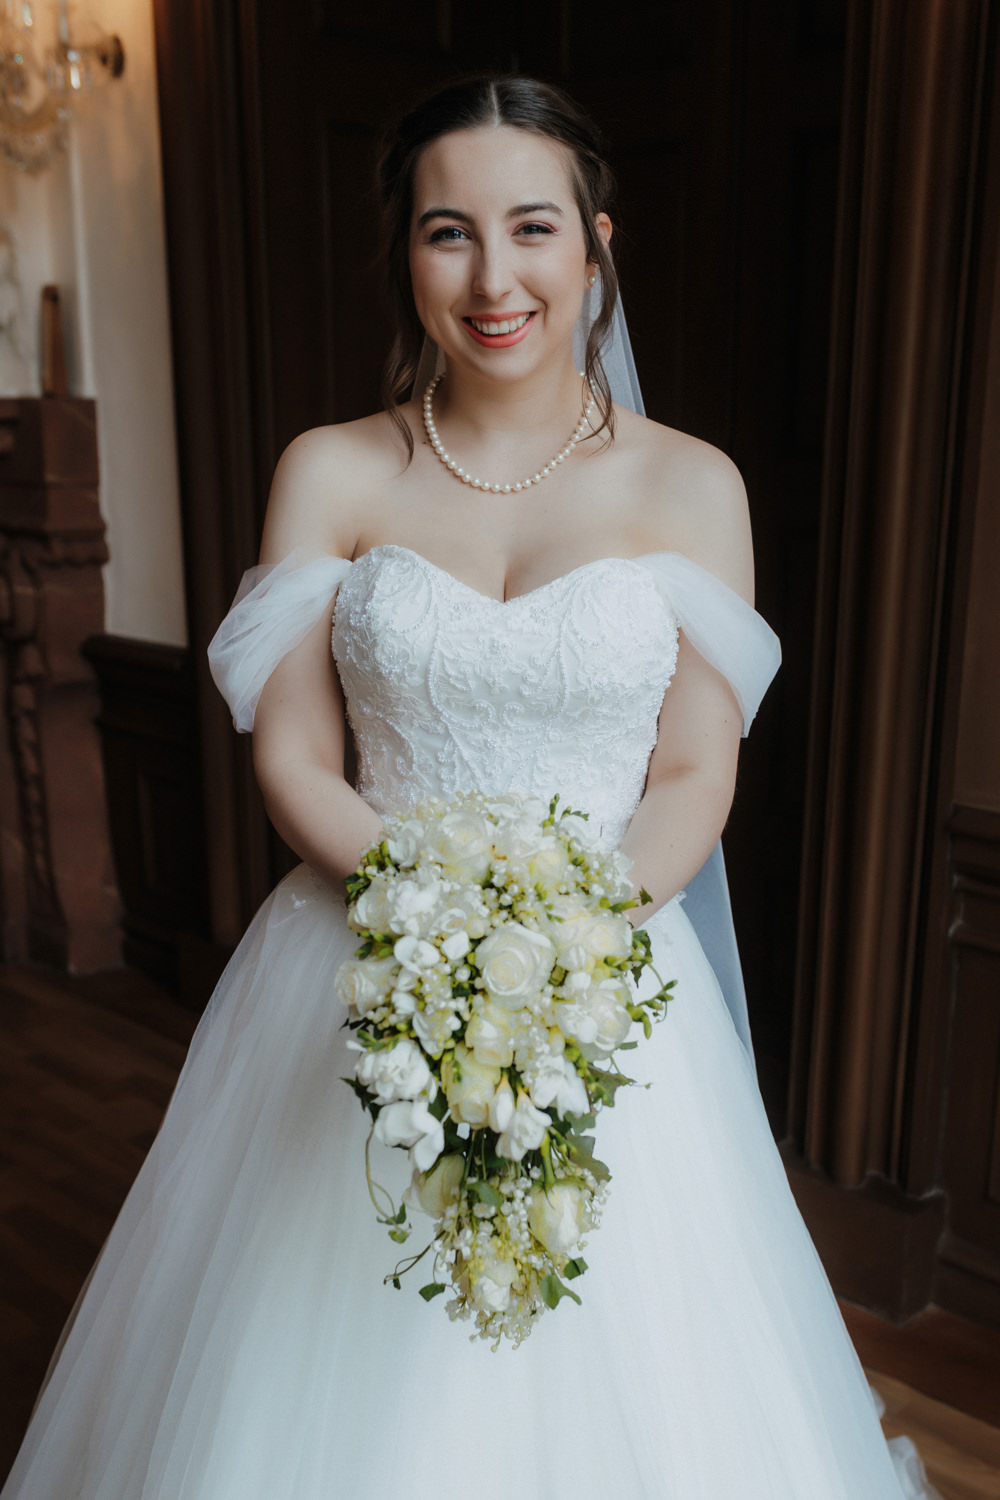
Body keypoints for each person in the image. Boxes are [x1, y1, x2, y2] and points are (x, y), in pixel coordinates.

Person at [3, 76, 939, 1500]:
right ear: (407, 255)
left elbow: (694, 768)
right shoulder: (329, 469)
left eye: (531, 228)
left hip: (602, 971)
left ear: (595, 245)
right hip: (359, 958)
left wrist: (559, 941)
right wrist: (432, 918)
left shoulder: (696, 488)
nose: (494, 277)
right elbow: (294, 756)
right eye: (450, 233)